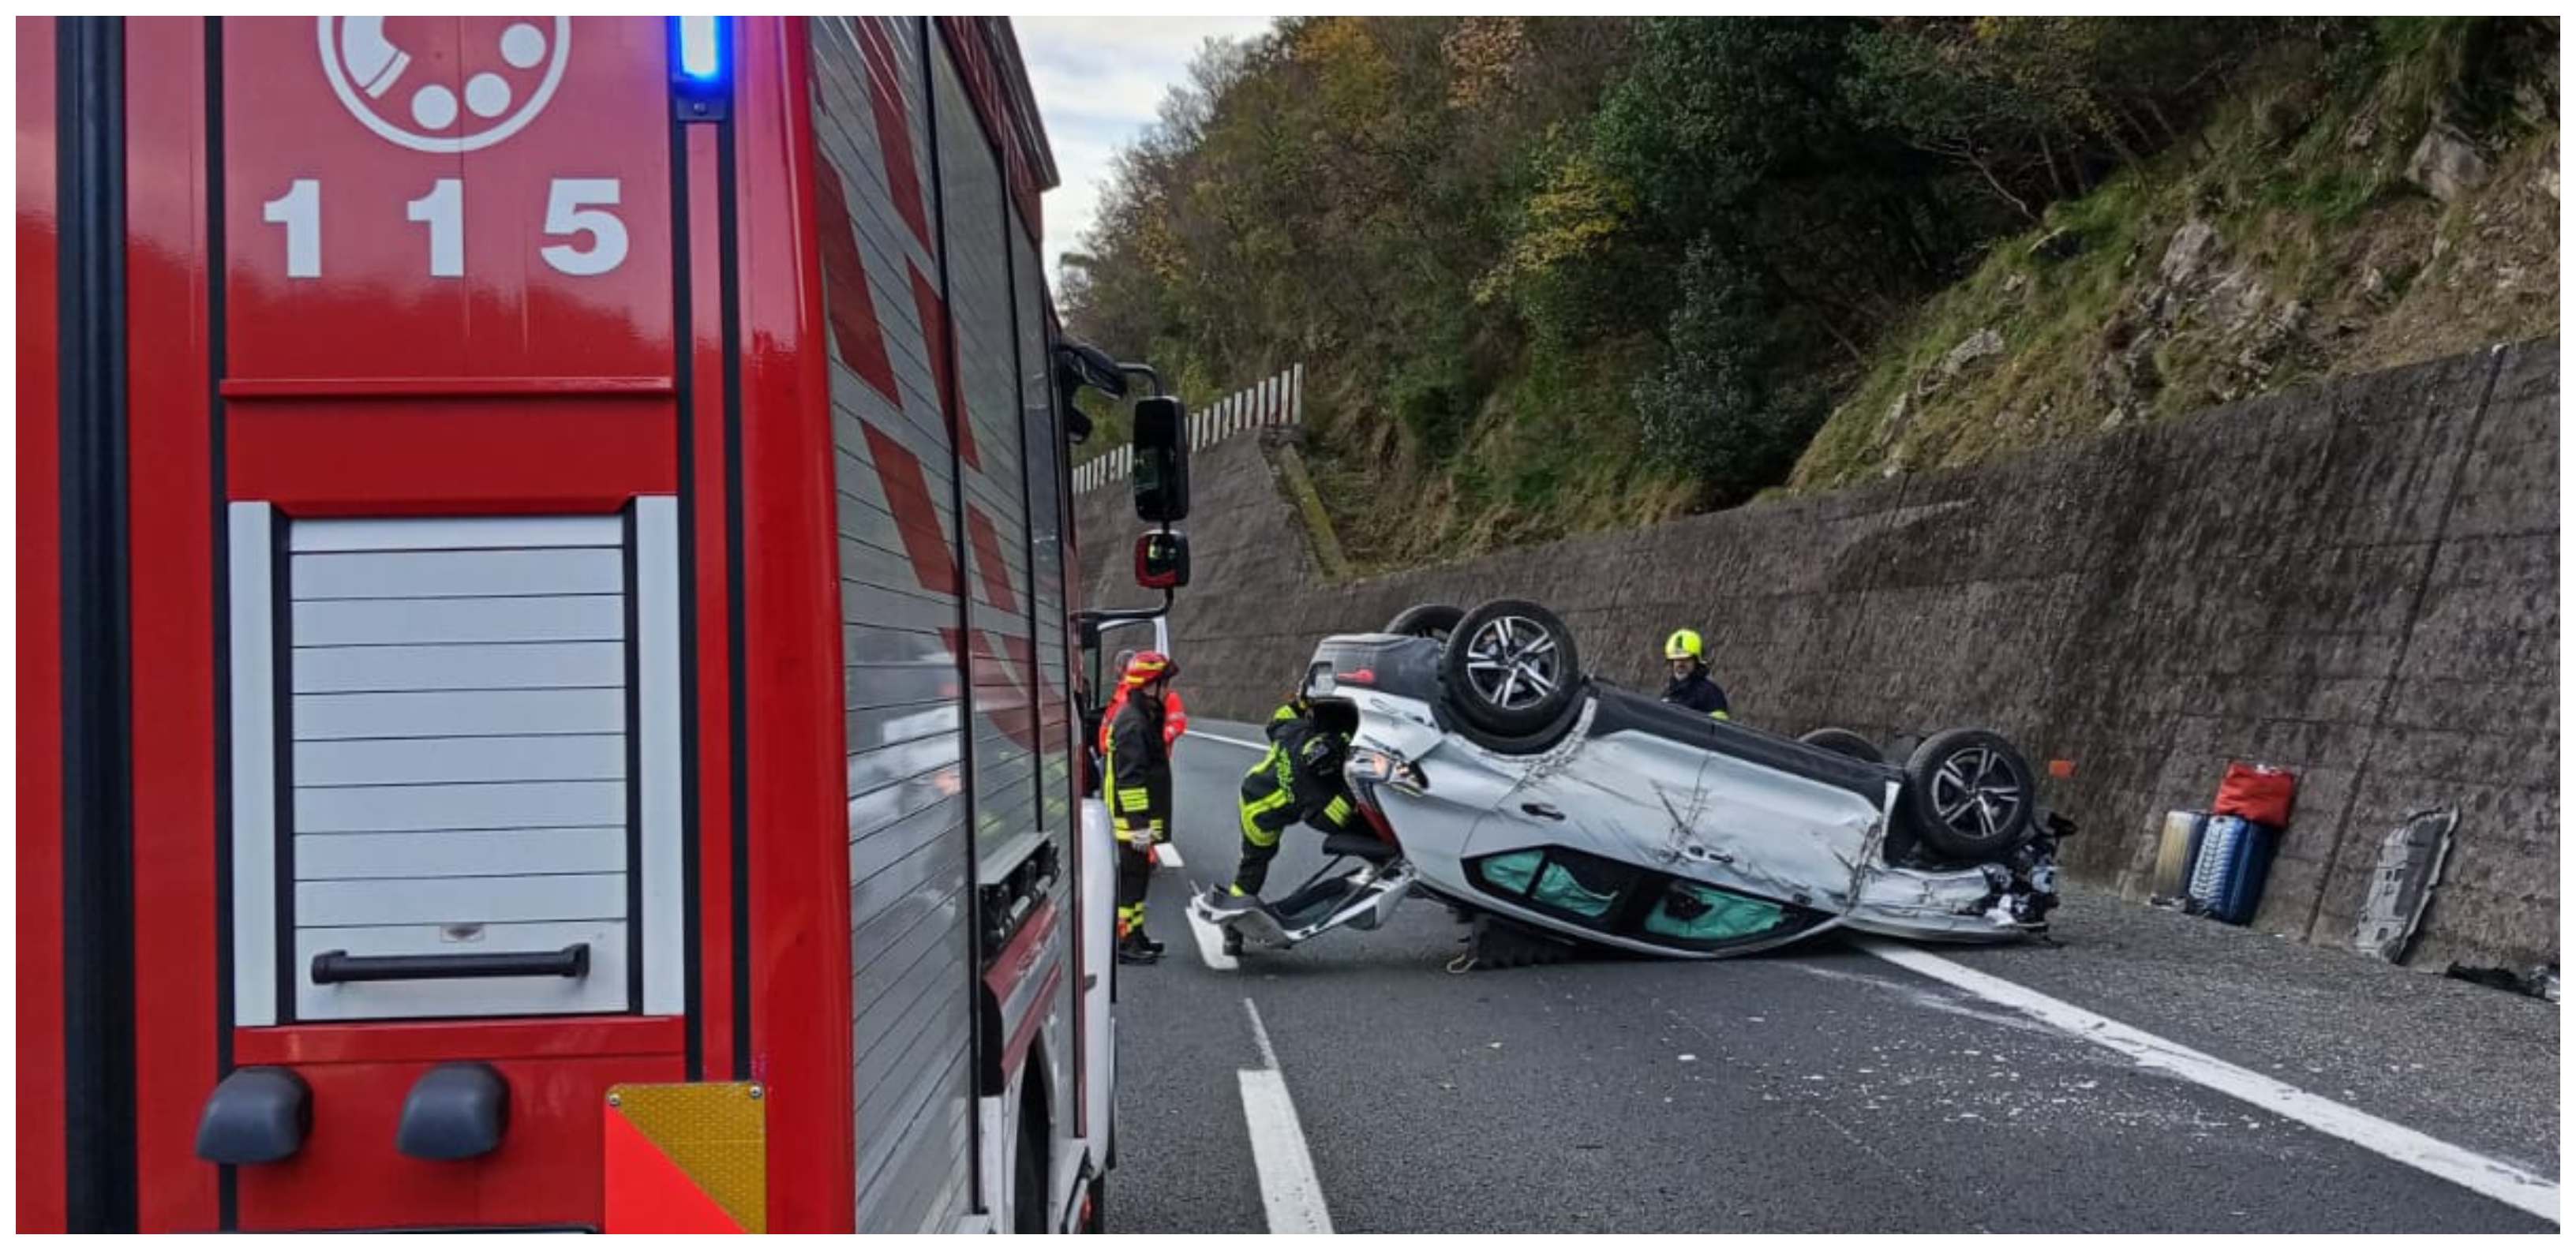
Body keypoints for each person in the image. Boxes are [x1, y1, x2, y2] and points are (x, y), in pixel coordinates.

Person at [1206, 693, 1364, 915]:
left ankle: (1235, 911)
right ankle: (1234, 916)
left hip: (1253, 783)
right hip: (1258, 815)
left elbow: (1279, 718)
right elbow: (1330, 820)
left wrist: (1301, 702)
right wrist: (1352, 791)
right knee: (1253, 867)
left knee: (1252, 865)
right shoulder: (1311, 790)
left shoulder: (1295, 733)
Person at [1104, 651, 1180, 964]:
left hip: (1137, 819)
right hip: (1129, 822)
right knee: (1131, 883)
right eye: (1164, 683)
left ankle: (1135, 935)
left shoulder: (1142, 716)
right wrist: (1138, 826)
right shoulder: (1133, 723)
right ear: (1150, 685)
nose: (1168, 690)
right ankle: (1124, 942)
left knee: (1139, 881)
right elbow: (1130, 779)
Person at [1661, 628, 1732, 720]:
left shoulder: (1710, 693)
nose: (1680, 664)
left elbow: (1718, 725)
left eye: (1686, 659)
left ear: (1696, 661)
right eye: (1676, 659)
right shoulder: (1668, 694)